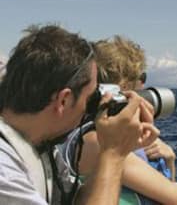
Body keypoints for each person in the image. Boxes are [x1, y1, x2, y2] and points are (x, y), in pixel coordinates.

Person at [0, 24, 159, 205]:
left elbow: (77, 201)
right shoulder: (4, 172)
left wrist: (116, 148)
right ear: (64, 100)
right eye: (90, 99)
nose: (92, 108)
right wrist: (113, 154)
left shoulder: (39, 144)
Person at [62, 35, 177, 205]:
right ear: (122, 87)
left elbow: (161, 194)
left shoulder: (107, 138)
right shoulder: (99, 142)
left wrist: (168, 160)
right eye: (139, 79)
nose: (142, 87)